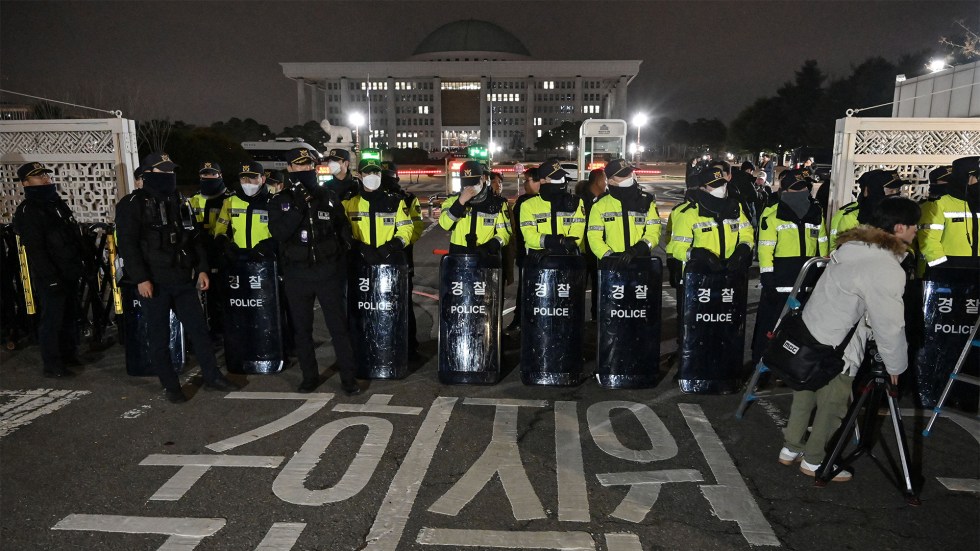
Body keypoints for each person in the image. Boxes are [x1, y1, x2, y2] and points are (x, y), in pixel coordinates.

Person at [779, 197, 920, 481]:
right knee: (833, 405)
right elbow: (888, 324)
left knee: (804, 391)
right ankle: (815, 461)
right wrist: (896, 366)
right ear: (899, 227)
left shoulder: (852, 248)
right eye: (915, 225)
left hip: (811, 334)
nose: (918, 231)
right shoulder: (885, 267)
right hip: (838, 346)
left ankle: (790, 448)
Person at [114, 153, 241, 403]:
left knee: (199, 330)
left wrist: (202, 268)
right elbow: (128, 246)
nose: (170, 176)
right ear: (149, 174)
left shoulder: (180, 201)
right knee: (159, 336)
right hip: (154, 281)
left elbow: (194, 239)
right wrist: (141, 278)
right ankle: (170, 385)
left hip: (182, 278)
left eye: (171, 171)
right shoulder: (132, 204)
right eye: (164, 172)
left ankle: (212, 376)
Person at [268, 148, 361, 395]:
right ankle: (309, 377)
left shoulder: (328, 196)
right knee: (302, 330)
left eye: (308, 165)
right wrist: (298, 206)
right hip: (297, 275)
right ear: (289, 169)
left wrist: (340, 259)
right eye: (299, 166)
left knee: (339, 329)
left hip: (328, 274)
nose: (304, 170)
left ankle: (349, 379)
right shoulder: (280, 201)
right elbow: (279, 234)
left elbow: (343, 231)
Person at [12, 162, 88, 378]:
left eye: (45, 174)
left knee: (69, 315)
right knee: (53, 320)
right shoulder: (29, 210)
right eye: (38, 176)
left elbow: (71, 235)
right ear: (26, 183)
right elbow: (36, 250)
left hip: (68, 270)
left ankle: (68, 354)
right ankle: (52, 364)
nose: (45, 178)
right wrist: (50, 277)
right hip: (51, 275)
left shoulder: (55, 203)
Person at [751, 169, 828, 368]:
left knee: (802, 331)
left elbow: (823, 245)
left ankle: (793, 367)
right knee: (772, 327)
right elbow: (765, 249)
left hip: (808, 283)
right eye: (796, 188)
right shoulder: (772, 213)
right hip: (781, 283)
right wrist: (767, 276)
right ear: (785, 190)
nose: (802, 191)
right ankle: (762, 366)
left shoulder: (815, 212)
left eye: (804, 187)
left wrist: (821, 272)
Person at [380, 161, 423, 356]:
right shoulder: (367, 198)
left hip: (401, 258)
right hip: (384, 258)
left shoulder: (407, 199)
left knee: (402, 302)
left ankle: (408, 344)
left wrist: (399, 244)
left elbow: (416, 228)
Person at [587, 159, 661, 267]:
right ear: (611, 181)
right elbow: (594, 237)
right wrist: (610, 257)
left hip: (641, 263)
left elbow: (654, 233)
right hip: (612, 267)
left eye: (630, 172)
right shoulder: (600, 205)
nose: (629, 177)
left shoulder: (647, 201)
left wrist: (637, 250)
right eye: (623, 175)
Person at [189, 161, 233, 339]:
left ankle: (222, 330)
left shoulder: (229, 199)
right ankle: (208, 331)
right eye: (204, 175)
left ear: (220, 176)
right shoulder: (193, 200)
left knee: (221, 295)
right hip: (200, 255)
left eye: (212, 174)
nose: (208, 178)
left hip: (221, 253)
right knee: (202, 296)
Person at [344, 158, 414, 264]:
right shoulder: (349, 204)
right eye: (368, 172)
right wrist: (361, 248)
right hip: (358, 262)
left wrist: (391, 247)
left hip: (389, 261)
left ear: (381, 175)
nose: (373, 176)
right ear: (359, 175)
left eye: (376, 172)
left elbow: (406, 229)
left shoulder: (395, 202)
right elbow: (343, 232)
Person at [437, 160, 511, 254]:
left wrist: (488, 248)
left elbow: (505, 234)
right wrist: (460, 202)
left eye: (473, 183)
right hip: (458, 258)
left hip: (486, 259)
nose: (469, 188)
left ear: (483, 178)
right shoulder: (452, 200)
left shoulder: (498, 203)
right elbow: (445, 225)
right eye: (466, 184)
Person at [917, 157, 978, 272]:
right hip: (949, 272)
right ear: (965, 177)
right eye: (977, 177)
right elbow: (929, 241)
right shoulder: (939, 204)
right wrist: (943, 269)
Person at [519, 159, 586, 257]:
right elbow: (529, 235)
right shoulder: (528, 205)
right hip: (538, 263)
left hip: (569, 262)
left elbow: (576, 234)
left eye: (562, 176)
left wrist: (559, 246)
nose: (562, 180)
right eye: (557, 177)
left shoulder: (576, 202)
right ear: (542, 181)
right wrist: (558, 242)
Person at [215, 161, 277, 258]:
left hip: (266, 258)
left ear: (263, 179)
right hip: (237, 258)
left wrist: (268, 247)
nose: (247, 182)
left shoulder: (274, 201)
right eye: (243, 178)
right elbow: (220, 229)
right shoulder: (230, 201)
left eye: (252, 177)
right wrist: (224, 245)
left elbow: (282, 233)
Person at [829, 169, 903, 250]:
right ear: (868, 191)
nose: (895, 195)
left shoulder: (900, 216)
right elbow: (847, 253)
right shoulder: (852, 217)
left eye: (898, 190)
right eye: (891, 191)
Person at [505, 165, 539, 331]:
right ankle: (519, 320)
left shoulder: (540, 202)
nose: (525, 184)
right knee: (524, 289)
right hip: (525, 253)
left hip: (537, 253)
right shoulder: (523, 201)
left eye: (528, 181)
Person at [577, 168, 608, 320]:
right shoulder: (581, 201)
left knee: (599, 285)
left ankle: (597, 317)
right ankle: (578, 319)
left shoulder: (606, 200)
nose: (607, 183)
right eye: (605, 179)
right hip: (583, 251)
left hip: (599, 250)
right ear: (598, 181)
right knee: (579, 287)